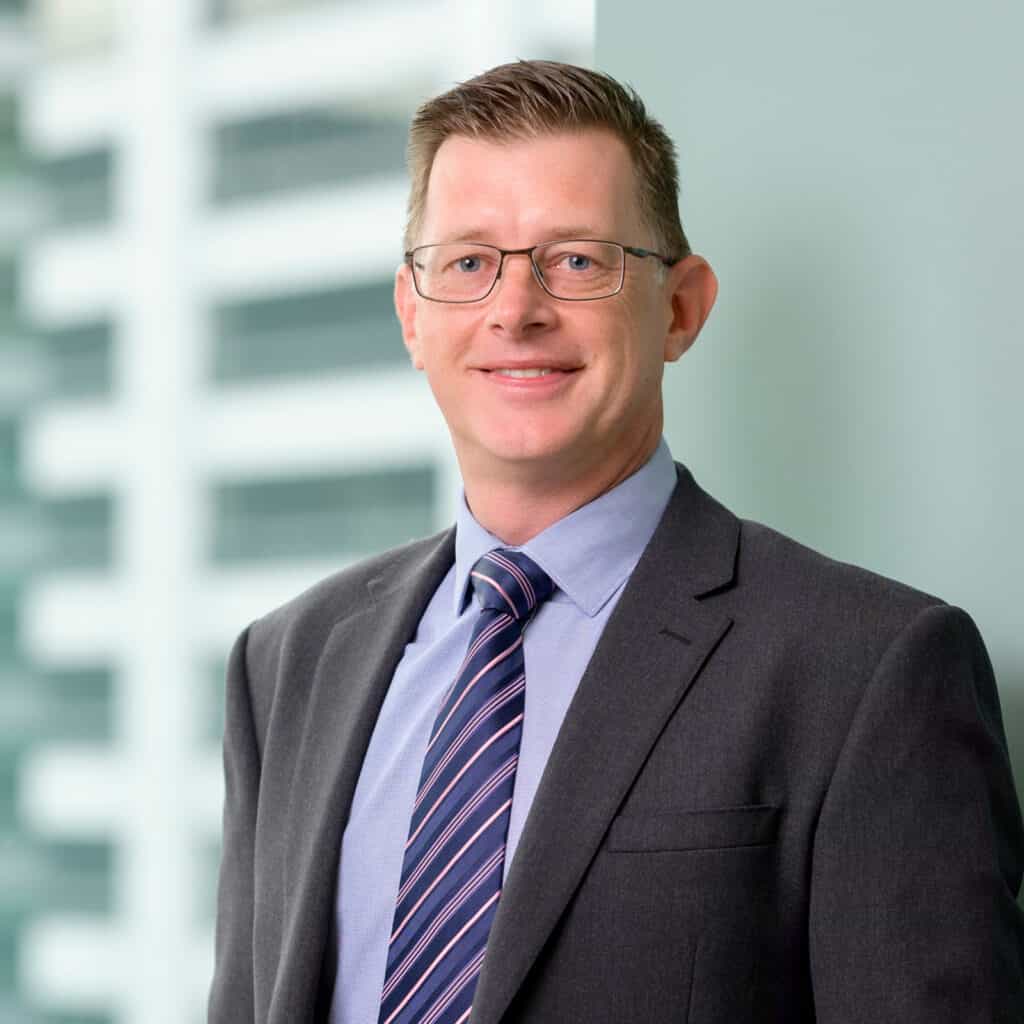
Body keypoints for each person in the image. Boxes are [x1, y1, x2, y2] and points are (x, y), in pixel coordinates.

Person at [208, 60, 1024, 1024]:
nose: (516, 310)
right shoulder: (289, 662)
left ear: (682, 307)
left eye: (578, 261)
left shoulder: (867, 670)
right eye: (469, 263)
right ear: (412, 314)